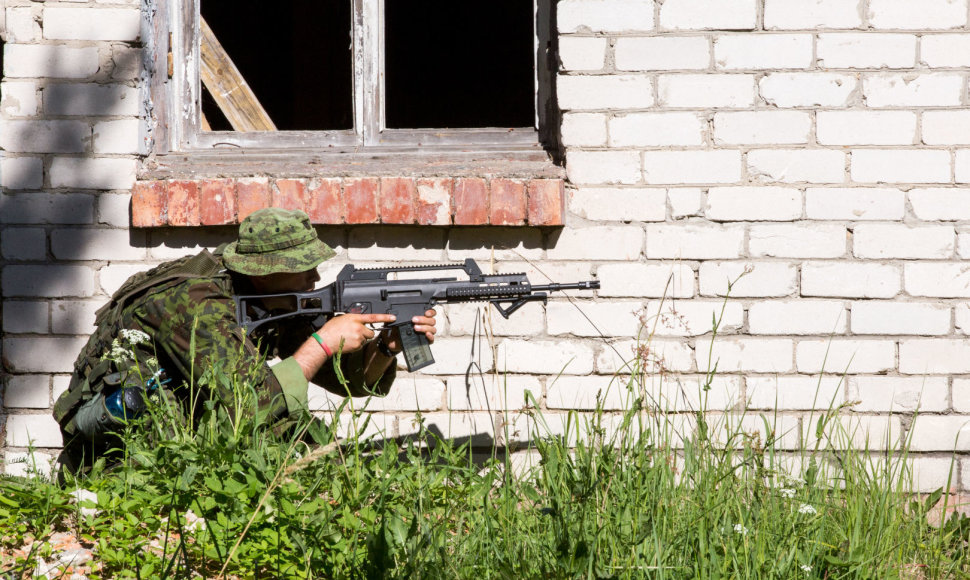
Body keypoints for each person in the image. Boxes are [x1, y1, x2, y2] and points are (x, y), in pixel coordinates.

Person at [53, 208, 437, 474]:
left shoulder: (269, 301)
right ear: (263, 272)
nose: (314, 277)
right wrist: (321, 343)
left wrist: (386, 346)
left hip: (183, 432)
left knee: (310, 442)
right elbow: (249, 406)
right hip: (120, 454)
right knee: (284, 432)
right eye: (302, 267)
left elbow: (353, 383)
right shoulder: (193, 303)